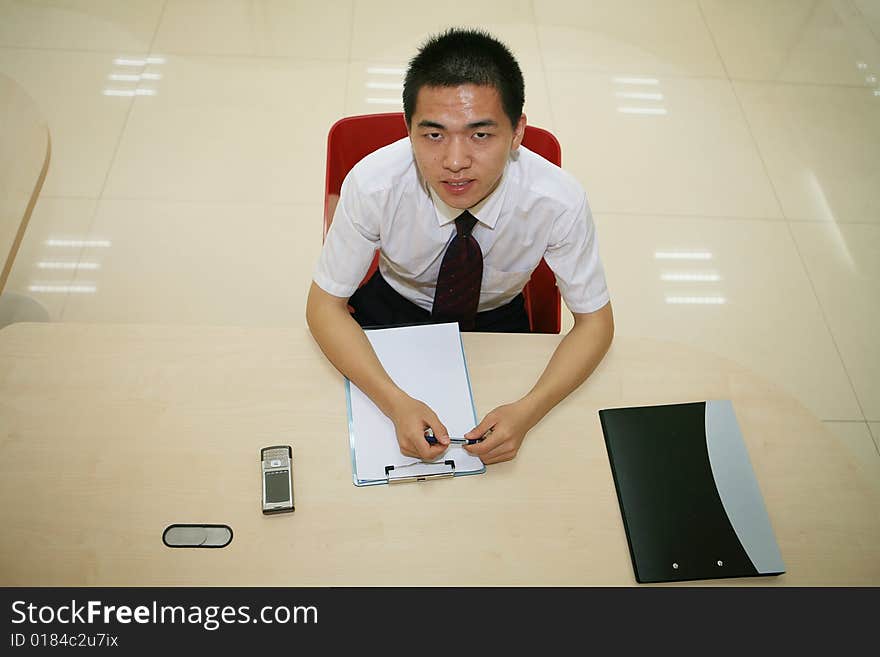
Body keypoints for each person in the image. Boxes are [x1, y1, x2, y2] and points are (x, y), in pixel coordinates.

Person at [306, 28, 613, 465]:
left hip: (496, 319)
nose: (454, 162)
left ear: (518, 132)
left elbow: (596, 324)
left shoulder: (557, 200)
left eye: (480, 135)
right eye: (433, 135)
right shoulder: (374, 183)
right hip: (393, 305)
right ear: (408, 129)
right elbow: (323, 306)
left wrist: (528, 411)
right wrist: (394, 403)